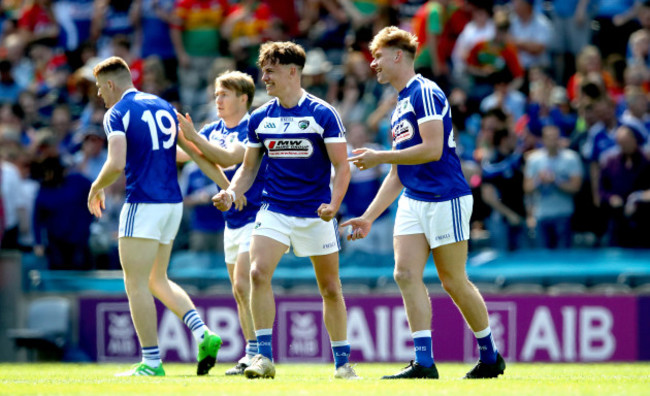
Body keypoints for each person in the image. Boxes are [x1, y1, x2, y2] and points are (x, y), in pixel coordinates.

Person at [342, 26, 505, 379]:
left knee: (453, 280)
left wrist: (381, 155)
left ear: (398, 55)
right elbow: (398, 172)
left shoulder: (425, 91)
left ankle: (490, 355)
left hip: (445, 196)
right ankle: (424, 362)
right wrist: (368, 216)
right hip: (414, 199)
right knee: (404, 273)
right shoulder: (398, 107)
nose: (374, 64)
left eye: (379, 56)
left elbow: (432, 149)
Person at [212, 41, 358, 380]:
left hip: (315, 214)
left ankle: (343, 364)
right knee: (258, 274)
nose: (264, 77)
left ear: (293, 72)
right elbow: (248, 170)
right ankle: (263, 358)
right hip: (274, 209)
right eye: (263, 71)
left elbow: (342, 166)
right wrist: (232, 192)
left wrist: (334, 206)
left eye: (270, 71)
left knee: (331, 289)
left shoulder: (323, 114)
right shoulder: (260, 118)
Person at [87, 56, 222, 376]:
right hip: (172, 204)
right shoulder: (161, 104)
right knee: (156, 279)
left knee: (134, 283)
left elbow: (117, 163)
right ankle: (204, 334)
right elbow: (189, 151)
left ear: (110, 84)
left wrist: (96, 185)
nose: (98, 96)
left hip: (143, 203)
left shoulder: (116, 112)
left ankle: (151, 362)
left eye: (98, 88)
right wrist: (225, 183)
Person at [176, 70, 264, 375]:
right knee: (239, 292)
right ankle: (252, 352)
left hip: (258, 216)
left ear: (243, 98)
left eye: (224, 94)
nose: (218, 100)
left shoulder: (252, 128)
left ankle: (258, 353)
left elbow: (228, 158)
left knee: (244, 283)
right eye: (216, 94)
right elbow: (185, 154)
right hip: (232, 219)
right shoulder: (213, 129)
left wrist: (193, 136)